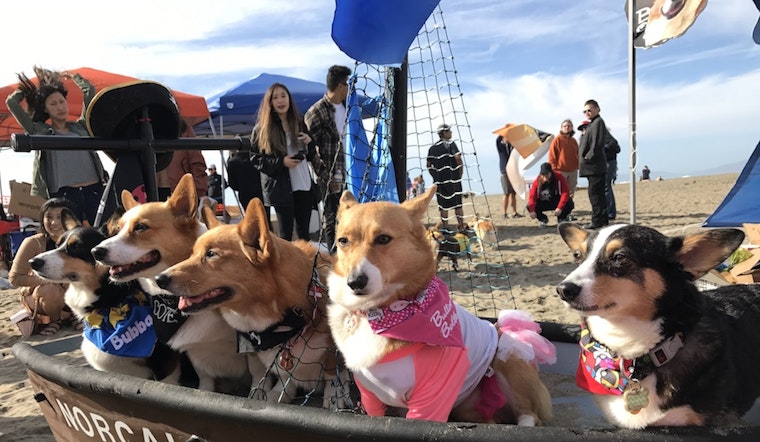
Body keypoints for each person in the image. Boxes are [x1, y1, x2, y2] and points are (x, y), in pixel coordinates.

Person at [5, 66, 108, 226]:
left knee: (105, 233)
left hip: (93, 189)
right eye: (53, 104)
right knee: (71, 238)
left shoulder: (81, 127)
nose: (60, 107)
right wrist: (25, 92)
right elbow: (11, 102)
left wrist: (74, 77)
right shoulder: (39, 131)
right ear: (45, 109)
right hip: (64, 193)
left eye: (61, 102)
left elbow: (89, 91)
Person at [250, 82, 319, 241]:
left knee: (304, 234)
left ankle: (305, 265)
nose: (281, 101)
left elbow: (310, 155)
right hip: (281, 188)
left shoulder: (299, 122)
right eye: (275, 98)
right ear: (270, 103)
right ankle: (284, 266)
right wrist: (282, 162)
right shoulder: (263, 129)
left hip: (303, 184)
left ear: (289, 99)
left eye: (283, 96)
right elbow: (255, 158)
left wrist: (310, 141)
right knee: (285, 235)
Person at [8, 198, 78, 336]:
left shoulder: (78, 240)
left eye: (60, 217)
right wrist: (50, 279)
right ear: (42, 219)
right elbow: (14, 279)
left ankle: (76, 317)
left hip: (72, 295)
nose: (54, 223)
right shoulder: (33, 243)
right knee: (50, 290)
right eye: (49, 217)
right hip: (42, 296)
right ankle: (55, 320)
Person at [305, 65, 352, 252]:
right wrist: (326, 176)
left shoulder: (349, 107)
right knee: (332, 218)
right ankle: (334, 259)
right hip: (330, 175)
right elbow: (310, 149)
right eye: (347, 84)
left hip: (351, 173)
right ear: (341, 85)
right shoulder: (316, 111)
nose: (349, 88)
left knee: (351, 216)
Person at [157, 119, 208, 201]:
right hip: (149, 192)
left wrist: (199, 192)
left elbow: (197, 163)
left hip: (179, 191)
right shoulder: (142, 125)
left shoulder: (183, 128)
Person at [578, 99, 609, 230]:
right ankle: (602, 220)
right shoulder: (593, 124)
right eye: (585, 111)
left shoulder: (598, 123)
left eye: (589, 110)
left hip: (595, 167)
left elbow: (597, 143)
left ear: (597, 109)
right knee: (597, 194)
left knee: (595, 194)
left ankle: (598, 221)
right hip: (593, 167)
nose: (587, 113)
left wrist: (588, 157)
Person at [427, 123, 465, 230]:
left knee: (443, 206)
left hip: (439, 181)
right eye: (449, 131)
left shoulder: (433, 148)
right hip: (453, 179)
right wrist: (460, 172)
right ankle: (461, 226)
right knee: (458, 204)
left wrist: (435, 176)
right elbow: (458, 158)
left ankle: (446, 228)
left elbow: (428, 165)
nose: (451, 132)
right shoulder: (451, 144)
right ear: (444, 132)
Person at [527, 162, 575, 228]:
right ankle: (543, 219)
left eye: (547, 174)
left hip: (555, 200)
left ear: (551, 172)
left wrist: (559, 208)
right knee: (529, 206)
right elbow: (532, 197)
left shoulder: (559, 177)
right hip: (544, 201)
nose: (545, 177)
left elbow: (565, 193)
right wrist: (532, 210)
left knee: (569, 202)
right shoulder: (537, 181)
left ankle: (561, 218)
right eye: (542, 175)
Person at [548, 119, 580, 199]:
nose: (567, 127)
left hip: (573, 170)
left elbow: (577, 154)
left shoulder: (574, 141)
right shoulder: (557, 140)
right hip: (560, 170)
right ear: (561, 128)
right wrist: (554, 169)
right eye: (565, 126)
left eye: (569, 126)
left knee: (571, 191)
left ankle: (568, 208)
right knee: (560, 191)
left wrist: (578, 165)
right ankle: (560, 208)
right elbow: (552, 156)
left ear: (572, 128)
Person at [496, 134, 520, 218]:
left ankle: (514, 212)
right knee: (506, 192)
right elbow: (499, 140)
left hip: (513, 170)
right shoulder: (500, 144)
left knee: (513, 193)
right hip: (505, 171)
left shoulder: (512, 145)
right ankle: (504, 213)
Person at [604, 130, 621, 220]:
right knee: (606, 187)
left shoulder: (607, 137)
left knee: (606, 187)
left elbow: (615, 146)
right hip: (610, 163)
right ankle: (609, 211)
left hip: (608, 163)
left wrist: (604, 149)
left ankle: (610, 212)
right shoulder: (608, 137)